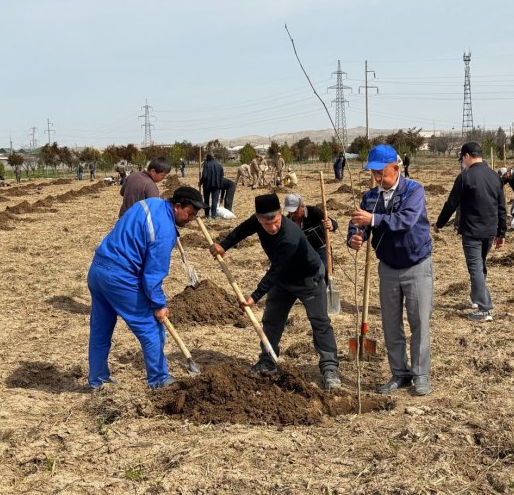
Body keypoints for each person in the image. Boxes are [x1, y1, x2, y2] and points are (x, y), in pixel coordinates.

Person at [209, 193, 341, 390]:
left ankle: (329, 368)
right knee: (271, 320)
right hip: (283, 282)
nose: (272, 228)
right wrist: (224, 246)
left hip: (308, 278)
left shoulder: (290, 235)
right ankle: (267, 362)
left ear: (281, 214)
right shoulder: (256, 221)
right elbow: (241, 231)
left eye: (276, 221)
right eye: (266, 224)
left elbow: (275, 271)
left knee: (319, 321)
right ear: (259, 218)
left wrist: (254, 297)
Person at [88, 186, 207, 390]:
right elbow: (152, 275)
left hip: (98, 270)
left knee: (101, 330)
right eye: (190, 214)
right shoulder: (165, 231)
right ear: (177, 206)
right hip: (120, 278)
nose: (191, 219)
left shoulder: (150, 203)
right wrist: (158, 304)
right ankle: (159, 380)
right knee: (152, 329)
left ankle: (97, 380)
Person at [347, 144, 434, 396]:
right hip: (387, 267)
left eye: (381, 172)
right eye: (373, 173)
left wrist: (372, 220)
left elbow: (406, 221)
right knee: (390, 324)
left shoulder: (414, 191)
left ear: (396, 169)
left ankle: (420, 374)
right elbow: (358, 225)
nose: (377, 178)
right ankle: (399, 372)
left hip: (416, 264)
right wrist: (355, 237)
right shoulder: (370, 197)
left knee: (418, 321)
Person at [434, 141, 506, 322]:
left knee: (475, 269)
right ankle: (476, 298)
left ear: (467, 156)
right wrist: (502, 232)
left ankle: (484, 309)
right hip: (490, 230)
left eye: (462, 159)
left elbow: (451, 203)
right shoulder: (494, 176)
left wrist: (439, 224)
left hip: (472, 231)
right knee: (479, 266)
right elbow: (502, 207)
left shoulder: (465, 177)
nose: (463, 162)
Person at [284, 193, 337, 284]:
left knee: (324, 269)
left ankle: (325, 289)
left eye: (295, 212)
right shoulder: (287, 221)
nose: (292, 215)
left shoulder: (314, 212)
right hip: (302, 252)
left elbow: (334, 224)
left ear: (303, 206)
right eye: (290, 212)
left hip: (321, 248)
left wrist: (330, 225)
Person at [199, 153, 224, 218]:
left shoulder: (206, 165)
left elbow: (204, 176)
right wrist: (220, 186)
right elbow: (221, 177)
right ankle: (213, 215)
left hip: (207, 185)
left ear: (207, 158)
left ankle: (207, 215)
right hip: (216, 186)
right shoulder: (219, 165)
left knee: (206, 200)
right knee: (214, 201)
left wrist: (200, 182)